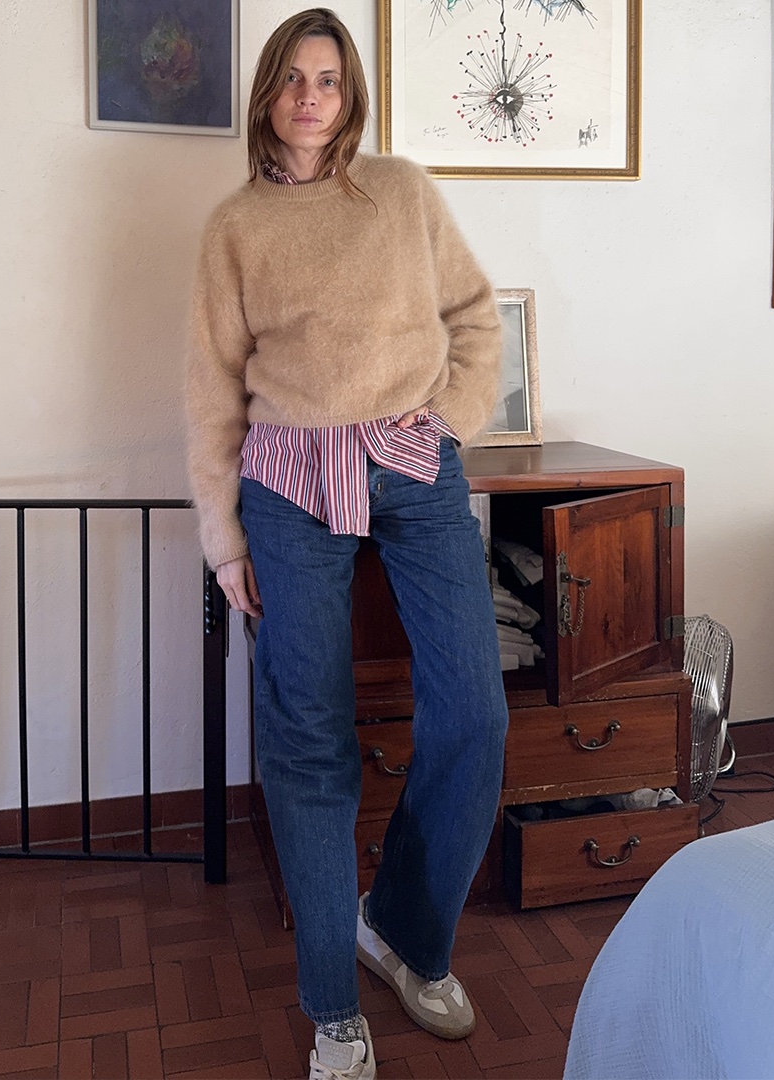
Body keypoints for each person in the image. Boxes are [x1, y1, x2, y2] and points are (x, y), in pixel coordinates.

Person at [185, 9, 508, 1080]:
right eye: (292, 78)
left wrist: (449, 422)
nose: (311, 96)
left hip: (414, 467)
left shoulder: (405, 192)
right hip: (287, 485)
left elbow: (474, 316)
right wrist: (223, 537)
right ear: (268, 95)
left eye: (328, 78)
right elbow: (210, 394)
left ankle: (403, 931)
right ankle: (333, 1005)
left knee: (473, 709)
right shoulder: (234, 226)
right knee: (307, 738)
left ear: (350, 93)